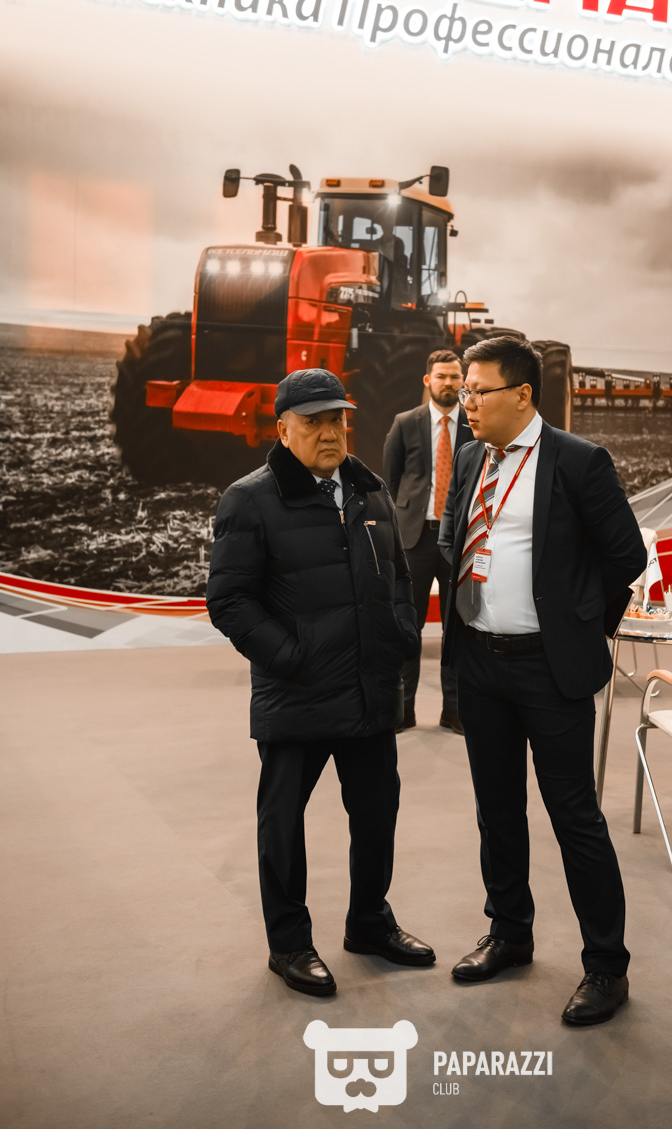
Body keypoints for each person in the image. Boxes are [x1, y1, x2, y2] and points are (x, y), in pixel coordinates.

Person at [206, 368, 435, 997]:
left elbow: (398, 578)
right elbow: (229, 600)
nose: (330, 432)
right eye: (314, 422)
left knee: (377, 812)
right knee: (283, 822)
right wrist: (290, 656)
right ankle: (289, 944)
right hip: (298, 692)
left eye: (337, 419)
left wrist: (399, 635)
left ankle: (369, 922)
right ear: (283, 429)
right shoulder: (249, 500)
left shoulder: (369, 490)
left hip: (368, 687)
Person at [438, 336, 646, 1026]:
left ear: (522, 394)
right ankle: (509, 934)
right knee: (496, 810)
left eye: (478, 390)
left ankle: (606, 966)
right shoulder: (472, 456)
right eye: (464, 390)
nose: (466, 402)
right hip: (481, 663)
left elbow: (625, 555)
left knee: (573, 817)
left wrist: (579, 623)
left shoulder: (577, 461)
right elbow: (453, 538)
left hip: (548, 669)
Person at [383, 349, 472, 733]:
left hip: (459, 541)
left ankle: (454, 711)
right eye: (441, 376)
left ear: (463, 381)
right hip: (414, 541)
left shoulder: (474, 423)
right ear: (428, 380)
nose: (448, 383)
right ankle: (403, 710)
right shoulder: (405, 423)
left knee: (457, 629)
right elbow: (391, 478)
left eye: (455, 377)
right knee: (407, 626)